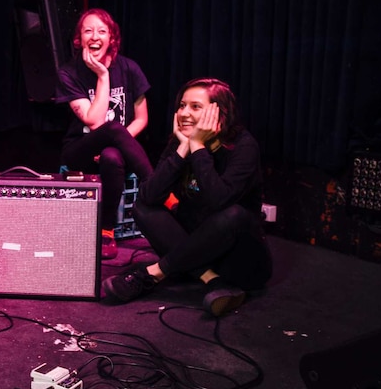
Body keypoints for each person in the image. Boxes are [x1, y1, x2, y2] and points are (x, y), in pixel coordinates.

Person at [102, 77, 272, 316]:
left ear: (219, 113)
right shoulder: (181, 140)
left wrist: (198, 148)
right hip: (196, 247)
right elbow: (149, 195)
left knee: (233, 214)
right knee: (143, 206)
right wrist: (183, 149)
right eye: (182, 106)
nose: (183, 113)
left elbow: (218, 201)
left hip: (239, 259)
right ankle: (212, 280)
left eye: (195, 106)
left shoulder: (243, 146)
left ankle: (156, 273)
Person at [55, 8, 153, 260]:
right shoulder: (69, 72)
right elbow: (95, 120)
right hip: (80, 150)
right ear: (79, 39)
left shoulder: (130, 68)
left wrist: (119, 142)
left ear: (112, 38)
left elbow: (142, 118)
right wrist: (103, 75)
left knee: (111, 154)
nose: (94, 36)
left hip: (117, 151)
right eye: (88, 31)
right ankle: (158, 188)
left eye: (102, 31)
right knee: (110, 128)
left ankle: (106, 230)